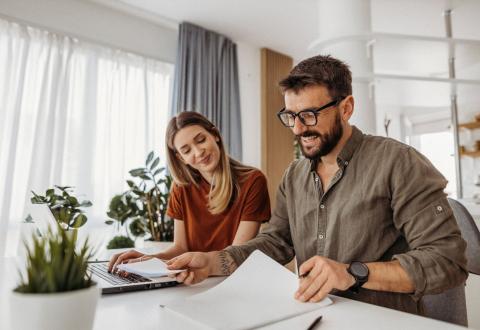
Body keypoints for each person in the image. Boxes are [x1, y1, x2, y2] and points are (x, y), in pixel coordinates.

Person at [166, 55, 468, 315]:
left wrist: (353, 273)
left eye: (309, 115)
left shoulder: (398, 162)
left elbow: (447, 262)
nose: (298, 129)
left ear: (346, 108)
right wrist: (213, 261)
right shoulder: (294, 176)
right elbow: (275, 243)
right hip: (310, 313)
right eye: (291, 116)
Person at [108, 111, 271, 272]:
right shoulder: (181, 188)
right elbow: (180, 248)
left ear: (215, 135)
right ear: (181, 158)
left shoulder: (253, 181)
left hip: (230, 279)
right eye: (186, 151)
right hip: (191, 279)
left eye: (201, 140)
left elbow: (236, 255)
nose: (198, 152)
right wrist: (148, 259)